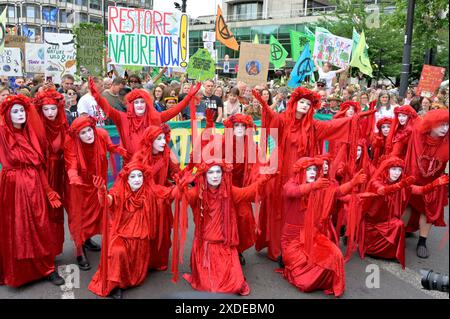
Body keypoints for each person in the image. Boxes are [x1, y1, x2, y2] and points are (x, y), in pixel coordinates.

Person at [252, 87, 372, 262]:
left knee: (299, 208)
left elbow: (332, 126)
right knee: (280, 206)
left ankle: (297, 245)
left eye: (308, 103)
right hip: (282, 171)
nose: (304, 105)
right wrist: (265, 105)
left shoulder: (313, 126)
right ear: (294, 103)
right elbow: (272, 120)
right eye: (301, 102)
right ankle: (278, 247)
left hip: (304, 173)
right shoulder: (284, 119)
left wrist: (353, 118)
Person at [174, 161, 271, 296]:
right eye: (211, 172)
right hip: (206, 248)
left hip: (226, 247)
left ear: (223, 174)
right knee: (211, 288)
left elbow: (249, 193)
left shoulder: (229, 190)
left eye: (218, 172)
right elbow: (181, 197)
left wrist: (264, 179)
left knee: (236, 285)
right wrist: (181, 188)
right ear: (205, 175)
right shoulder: (198, 192)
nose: (215, 176)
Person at [0, 95, 64, 287]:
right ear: (7, 115)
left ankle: (47, 269)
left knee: (40, 225)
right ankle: (19, 273)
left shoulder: (30, 133)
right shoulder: (3, 132)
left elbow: (38, 164)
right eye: (15, 112)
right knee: (18, 229)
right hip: (14, 185)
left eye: (22, 111)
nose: (20, 115)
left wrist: (48, 190)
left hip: (35, 183)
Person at [88, 163, 178, 299]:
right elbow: (107, 202)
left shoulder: (150, 190)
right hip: (121, 236)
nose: (137, 179)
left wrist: (181, 185)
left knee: (135, 270)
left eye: (140, 176)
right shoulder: (119, 191)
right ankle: (115, 285)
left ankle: (127, 280)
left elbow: (170, 194)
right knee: (117, 252)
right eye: (133, 176)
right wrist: (101, 191)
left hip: (141, 239)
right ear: (127, 179)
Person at [281, 157, 366, 297]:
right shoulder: (291, 184)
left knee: (336, 255)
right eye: (309, 170)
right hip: (292, 240)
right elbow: (292, 192)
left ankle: (321, 277)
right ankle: (288, 263)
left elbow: (336, 192)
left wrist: (353, 183)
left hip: (314, 235)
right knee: (306, 283)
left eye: (314, 169)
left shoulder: (319, 185)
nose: (313, 172)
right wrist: (313, 186)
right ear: (301, 171)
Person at [360, 156, 448, 268]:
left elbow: (420, 190)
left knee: (398, 225)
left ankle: (386, 254)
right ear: (386, 169)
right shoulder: (376, 181)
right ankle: (372, 250)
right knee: (397, 224)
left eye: (399, 170)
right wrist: (400, 185)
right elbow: (382, 191)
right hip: (372, 223)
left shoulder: (402, 183)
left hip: (388, 221)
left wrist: (434, 184)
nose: (396, 173)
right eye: (393, 169)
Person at [64, 116, 127, 270]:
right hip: (80, 185)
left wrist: (118, 149)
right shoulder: (70, 143)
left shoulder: (101, 134)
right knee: (80, 218)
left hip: (98, 183)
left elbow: (110, 146)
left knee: (99, 214)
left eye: (89, 130)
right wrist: (73, 176)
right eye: (83, 133)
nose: (88, 134)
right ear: (77, 135)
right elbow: (71, 164)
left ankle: (87, 240)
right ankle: (80, 251)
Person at [90, 78, 201, 158]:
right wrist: (96, 96)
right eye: (136, 102)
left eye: (142, 102)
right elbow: (107, 109)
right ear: (131, 105)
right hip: (132, 170)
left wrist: (189, 97)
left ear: (147, 104)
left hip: (151, 167)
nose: (139, 105)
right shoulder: (122, 118)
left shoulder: (154, 118)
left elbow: (173, 111)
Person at [131, 125, 181, 271]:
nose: (164, 142)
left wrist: (184, 176)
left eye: (164, 138)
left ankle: (158, 260)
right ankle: (144, 261)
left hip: (162, 200)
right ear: (150, 140)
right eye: (159, 139)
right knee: (146, 232)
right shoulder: (139, 156)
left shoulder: (167, 153)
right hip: (145, 200)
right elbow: (134, 180)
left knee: (163, 231)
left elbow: (175, 172)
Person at [403, 109, 449, 258]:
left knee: (427, 211)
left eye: (447, 125)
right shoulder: (418, 133)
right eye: (442, 125)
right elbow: (410, 117)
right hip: (414, 179)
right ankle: (399, 233)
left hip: (434, 181)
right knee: (408, 205)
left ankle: (422, 242)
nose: (445, 128)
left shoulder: (447, 140)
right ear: (431, 124)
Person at [33, 88, 69, 257]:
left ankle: (54, 248)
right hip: (43, 174)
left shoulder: (62, 125)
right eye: (46, 109)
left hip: (60, 172)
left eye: (53, 108)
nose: (50, 112)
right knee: (42, 212)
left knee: (57, 212)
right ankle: (43, 250)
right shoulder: (35, 128)